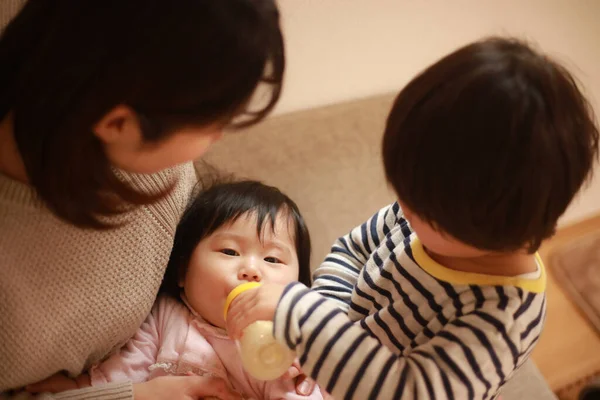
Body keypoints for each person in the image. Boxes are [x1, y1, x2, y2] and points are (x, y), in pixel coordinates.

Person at [225, 37, 600, 399]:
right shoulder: (424, 215)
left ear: (480, 227)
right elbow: (353, 251)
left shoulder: (500, 320)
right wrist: (326, 332)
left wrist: (304, 316)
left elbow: (405, 390)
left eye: (419, 208)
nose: (401, 208)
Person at [0, 1, 285, 399]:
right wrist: (132, 396)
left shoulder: (165, 174)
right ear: (117, 124)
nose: (219, 138)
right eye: (212, 122)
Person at [25, 180, 322, 400]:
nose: (252, 270)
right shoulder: (165, 315)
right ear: (182, 271)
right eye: (230, 252)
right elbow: (129, 368)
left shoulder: (282, 344)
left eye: (272, 259)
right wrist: (81, 388)